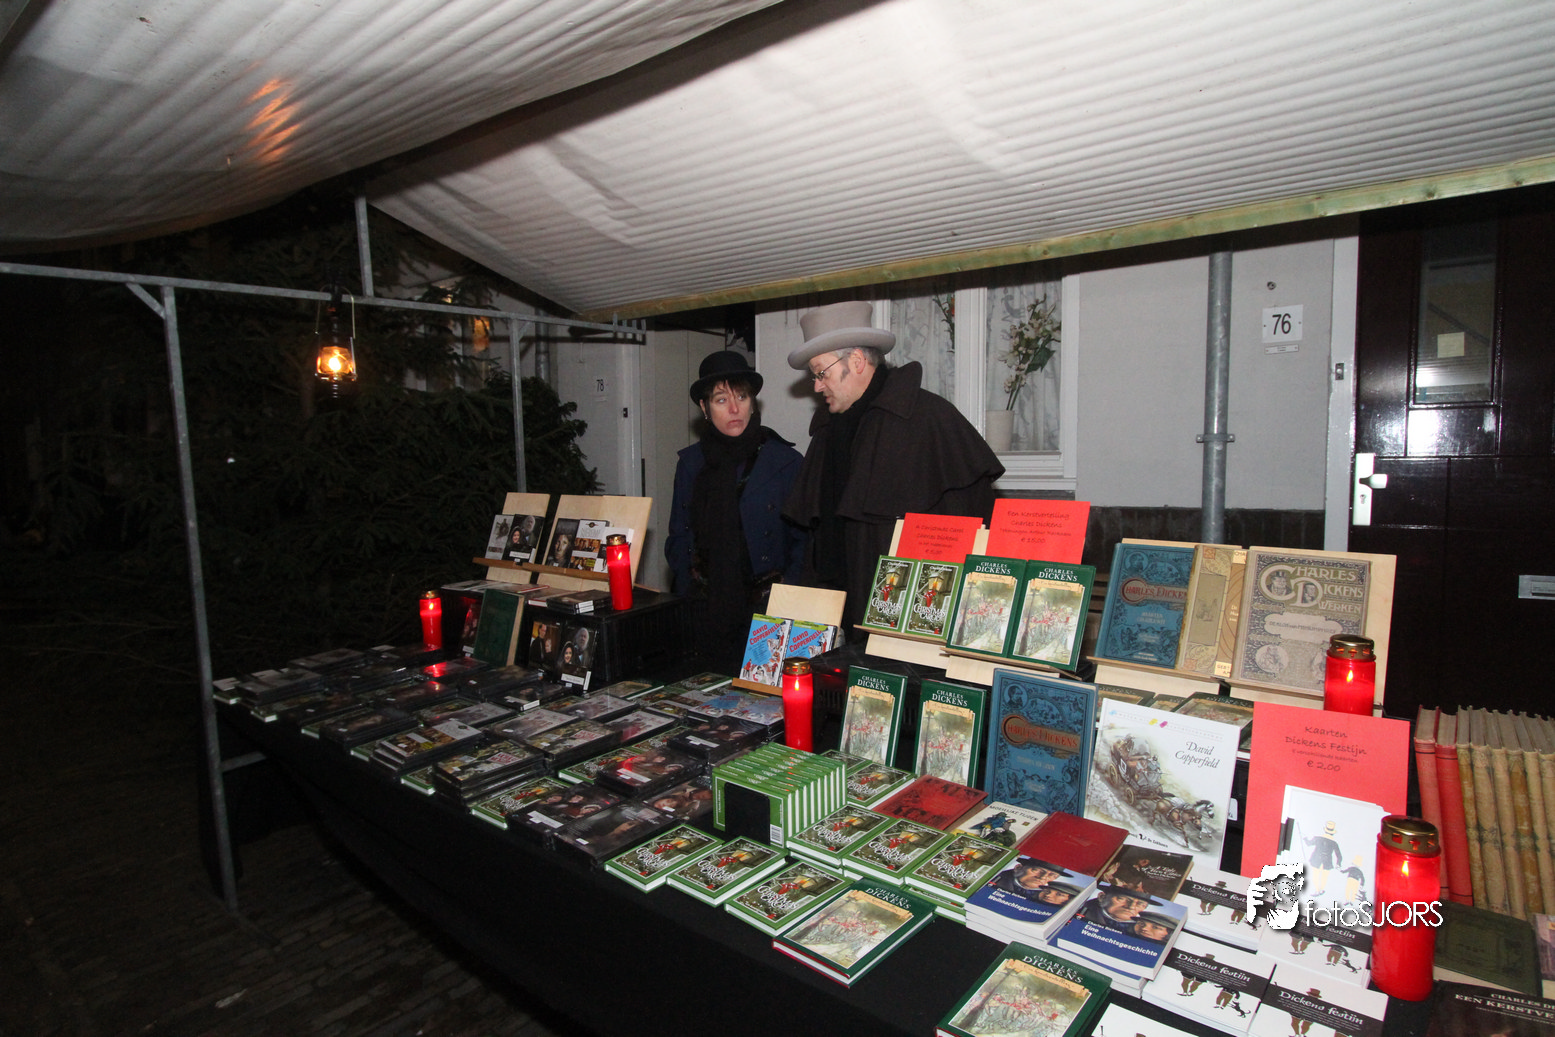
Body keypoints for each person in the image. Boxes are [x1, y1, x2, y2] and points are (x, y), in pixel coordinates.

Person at [782, 301, 1004, 628]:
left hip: (913, 623)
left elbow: (969, 532)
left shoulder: (929, 418)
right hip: (838, 621)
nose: (816, 385)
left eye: (821, 373)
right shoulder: (828, 430)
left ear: (856, 361)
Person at [666, 350, 807, 667]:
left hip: (768, 615)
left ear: (753, 402)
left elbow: (804, 542)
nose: (734, 409)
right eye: (721, 400)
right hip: (706, 613)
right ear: (704, 408)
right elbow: (679, 535)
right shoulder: (691, 464)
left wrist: (786, 597)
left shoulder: (784, 462)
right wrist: (687, 584)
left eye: (742, 397)